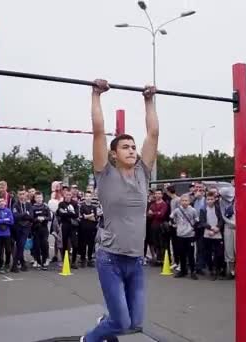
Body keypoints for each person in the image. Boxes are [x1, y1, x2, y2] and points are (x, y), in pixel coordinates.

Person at [81, 79, 158, 342]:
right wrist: (96, 95)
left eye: (133, 147)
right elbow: (99, 132)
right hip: (110, 258)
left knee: (134, 324)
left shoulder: (142, 174)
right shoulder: (105, 174)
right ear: (113, 154)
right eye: (125, 147)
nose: (132, 150)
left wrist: (148, 100)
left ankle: (108, 322)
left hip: (135, 260)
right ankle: (89, 339)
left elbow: (153, 133)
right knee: (122, 321)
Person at [170, 194, 199, 279]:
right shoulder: (177, 210)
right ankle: (183, 270)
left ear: (189, 201)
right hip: (180, 234)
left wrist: (193, 229)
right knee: (181, 254)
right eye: (183, 200)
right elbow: (171, 217)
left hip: (190, 235)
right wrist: (174, 224)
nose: (184, 202)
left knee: (191, 255)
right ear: (180, 201)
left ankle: (193, 271)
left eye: (186, 200)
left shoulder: (193, 210)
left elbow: (197, 220)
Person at [199, 191, 225, 281]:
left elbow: (221, 220)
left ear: (215, 200)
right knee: (207, 253)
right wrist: (210, 228)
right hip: (207, 234)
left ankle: (216, 268)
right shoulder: (203, 209)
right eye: (208, 199)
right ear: (206, 200)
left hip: (217, 234)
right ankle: (211, 269)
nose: (210, 201)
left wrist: (217, 228)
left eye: (211, 199)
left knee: (219, 253)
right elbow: (202, 222)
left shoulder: (218, 208)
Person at [57, 190, 80, 269]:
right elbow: (60, 214)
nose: (68, 196)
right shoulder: (61, 204)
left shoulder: (75, 203)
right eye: (67, 194)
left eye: (69, 195)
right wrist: (70, 213)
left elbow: (76, 214)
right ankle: (65, 260)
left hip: (73, 226)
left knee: (75, 245)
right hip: (65, 226)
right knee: (65, 244)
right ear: (64, 195)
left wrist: (66, 213)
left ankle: (74, 261)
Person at [12, 190, 33, 272]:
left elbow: (31, 216)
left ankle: (16, 264)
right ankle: (21, 263)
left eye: (23, 194)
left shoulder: (28, 204)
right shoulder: (15, 205)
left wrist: (24, 216)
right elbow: (15, 216)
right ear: (18, 195)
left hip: (26, 228)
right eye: (20, 194)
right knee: (19, 245)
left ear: (26, 195)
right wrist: (25, 214)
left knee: (21, 245)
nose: (22, 196)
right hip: (18, 227)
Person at [0, 198, 14, 273]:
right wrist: (5, 220)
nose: (1, 203)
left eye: (2, 201)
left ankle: (7, 264)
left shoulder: (8, 210)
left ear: (5, 202)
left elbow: (11, 221)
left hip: (7, 234)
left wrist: (0, 220)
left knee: (8, 250)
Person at [79, 191, 100, 268]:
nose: (88, 198)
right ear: (84, 197)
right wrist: (90, 215)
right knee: (83, 244)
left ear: (91, 198)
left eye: (89, 196)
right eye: (87, 196)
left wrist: (88, 216)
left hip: (92, 228)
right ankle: (83, 259)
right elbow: (82, 216)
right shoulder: (82, 206)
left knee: (91, 244)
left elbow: (95, 218)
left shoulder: (94, 207)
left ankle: (90, 259)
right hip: (83, 228)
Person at [30, 192, 51, 270]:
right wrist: (37, 219)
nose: (39, 199)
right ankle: (38, 262)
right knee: (36, 246)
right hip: (35, 229)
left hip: (44, 229)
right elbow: (31, 218)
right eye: (37, 197)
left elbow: (49, 217)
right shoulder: (33, 208)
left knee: (44, 245)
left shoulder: (45, 207)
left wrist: (44, 218)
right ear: (35, 199)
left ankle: (44, 261)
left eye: (40, 197)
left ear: (42, 198)